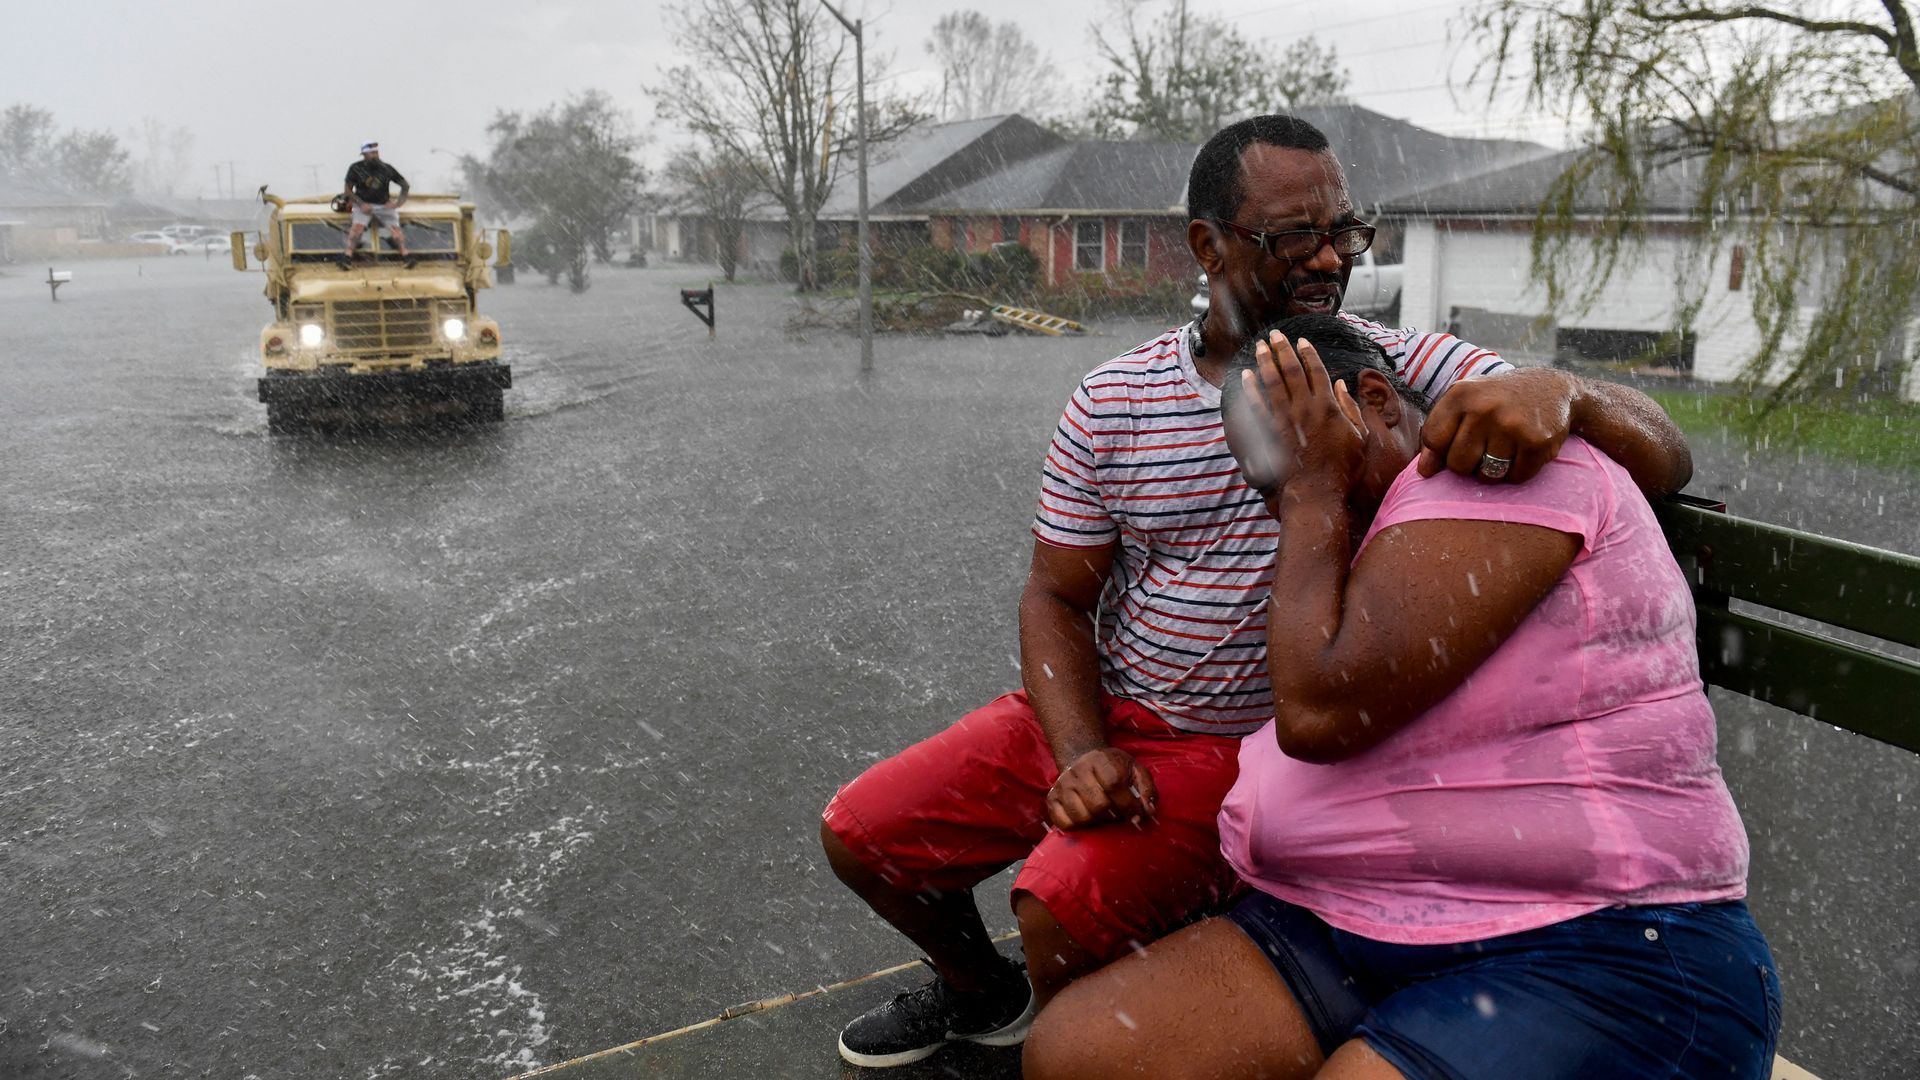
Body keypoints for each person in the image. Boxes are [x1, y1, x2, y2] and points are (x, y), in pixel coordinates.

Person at [817, 114, 1695, 1070]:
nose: (1328, 259)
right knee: (865, 837)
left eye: (1344, 232)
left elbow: (1663, 452)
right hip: (1100, 707)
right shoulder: (1114, 399)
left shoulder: (1392, 365)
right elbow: (1056, 598)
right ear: (1207, 245)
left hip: (1233, 748)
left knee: (1058, 900)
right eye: (1292, 237)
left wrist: (1564, 392)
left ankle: (1075, 1016)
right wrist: (1078, 750)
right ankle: (986, 997)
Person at [1022, 316, 1779, 1080]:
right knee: (1079, 1054)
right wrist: (1315, 486)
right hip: (1338, 922)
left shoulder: (1495, 468)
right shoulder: (1367, 516)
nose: (1291, 509)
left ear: (1379, 400)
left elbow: (1322, 711)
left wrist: (1316, 486)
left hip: (1595, 938)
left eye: (1312, 457)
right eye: (1271, 488)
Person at [339, 142, 413, 269]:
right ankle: (348, 256)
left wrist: (398, 204)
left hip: (384, 206)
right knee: (356, 230)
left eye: (376, 152)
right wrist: (361, 204)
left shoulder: (386, 168)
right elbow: (348, 190)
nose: (375, 155)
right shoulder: (356, 168)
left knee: (396, 232)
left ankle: (405, 256)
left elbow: (405, 185)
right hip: (363, 206)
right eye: (371, 153)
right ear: (364, 154)